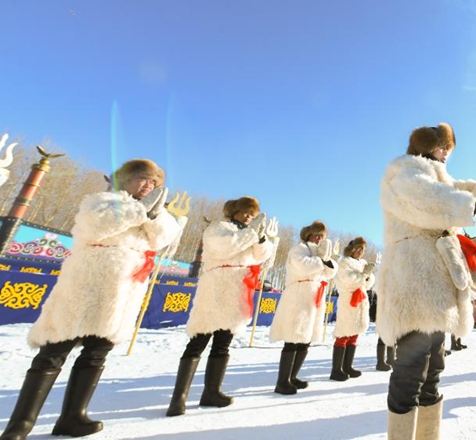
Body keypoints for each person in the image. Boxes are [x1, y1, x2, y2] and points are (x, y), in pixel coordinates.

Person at [1, 159, 182, 439]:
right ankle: (21, 424)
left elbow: (164, 238)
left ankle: (73, 416)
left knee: (96, 354)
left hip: (121, 292)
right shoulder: (101, 201)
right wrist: (140, 211)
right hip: (85, 285)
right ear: (124, 180)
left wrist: (156, 215)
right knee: (53, 353)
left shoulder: (155, 211)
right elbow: (96, 226)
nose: (149, 185)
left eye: (154, 182)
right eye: (143, 179)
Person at [377, 122, 476, 439]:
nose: (447, 156)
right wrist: (471, 206)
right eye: (445, 149)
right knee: (412, 365)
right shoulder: (404, 170)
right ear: (433, 147)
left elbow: (463, 190)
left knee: (434, 366)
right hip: (413, 277)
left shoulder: (441, 177)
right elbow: (426, 197)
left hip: (439, 281)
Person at [166, 197, 276, 416]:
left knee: (223, 343)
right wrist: (252, 233)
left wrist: (262, 237)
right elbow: (226, 246)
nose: (248, 217)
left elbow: (262, 255)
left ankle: (212, 392)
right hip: (216, 287)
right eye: (245, 212)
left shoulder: (251, 232)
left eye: (252, 214)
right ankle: (178, 399)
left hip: (237, 289)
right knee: (198, 341)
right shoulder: (219, 227)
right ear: (234, 211)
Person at [269, 221, 338, 395]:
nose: (318, 239)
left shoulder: (320, 254)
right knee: (293, 338)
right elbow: (303, 266)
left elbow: (330, 272)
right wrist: (321, 259)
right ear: (308, 235)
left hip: (313, 298)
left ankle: (292, 376)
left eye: (321, 236)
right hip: (298, 295)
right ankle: (282, 381)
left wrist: (327, 259)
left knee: (305, 340)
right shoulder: (298, 249)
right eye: (316, 235)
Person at [330, 237, 376, 381]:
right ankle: (336, 369)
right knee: (344, 332)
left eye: (362, 249)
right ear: (351, 249)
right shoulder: (343, 262)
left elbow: (368, 284)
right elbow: (346, 279)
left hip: (361, 300)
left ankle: (347, 366)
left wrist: (368, 276)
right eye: (357, 249)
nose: (359, 252)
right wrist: (363, 275)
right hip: (348, 299)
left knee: (354, 333)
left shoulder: (362, 263)